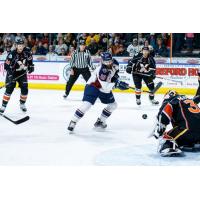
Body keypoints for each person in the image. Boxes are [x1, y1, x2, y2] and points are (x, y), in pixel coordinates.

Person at [67, 52, 129, 132]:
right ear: (102, 61)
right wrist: (117, 85)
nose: (108, 63)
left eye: (109, 61)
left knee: (113, 105)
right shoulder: (102, 70)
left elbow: (114, 75)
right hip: (93, 86)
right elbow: (105, 87)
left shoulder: (115, 63)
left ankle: (101, 121)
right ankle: (73, 121)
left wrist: (118, 81)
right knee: (87, 105)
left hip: (104, 87)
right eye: (106, 62)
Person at [155, 90, 200, 157]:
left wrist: (160, 130)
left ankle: (169, 148)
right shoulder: (189, 100)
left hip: (187, 129)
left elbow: (163, 115)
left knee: (166, 136)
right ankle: (195, 142)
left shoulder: (171, 101)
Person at [0, 36, 34, 113]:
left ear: (23, 45)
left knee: (25, 88)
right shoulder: (12, 54)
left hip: (22, 73)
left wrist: (31, 66)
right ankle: (3, 106)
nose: (20, 47)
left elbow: (30, 60)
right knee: (9, 89)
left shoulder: (27, 52)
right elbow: (6, 66)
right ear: (16, 45)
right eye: (19, 45)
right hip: (12, 73)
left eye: (22, 45)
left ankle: (22, 104)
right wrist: (10, 75)